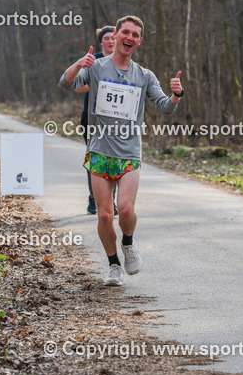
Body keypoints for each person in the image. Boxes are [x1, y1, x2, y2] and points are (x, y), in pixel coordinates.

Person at [59, 15, 184, 286]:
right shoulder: (96, 67)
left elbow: (165, 107)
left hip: (129, 152)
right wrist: (80, 63)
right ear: (115, 36)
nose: (129, 38)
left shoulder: (145, 75)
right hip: (100, 149)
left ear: (139, 41)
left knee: (125, 210)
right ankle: (113, 263)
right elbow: (66, 83)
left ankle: (128, 243)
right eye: (125, 32)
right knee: (105, 215)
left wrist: (176, 94)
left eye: (135, 35)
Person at [74, 26, 116, 215]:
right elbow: (76, 86)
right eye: (107, 38)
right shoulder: (94, 60)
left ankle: (111, 201)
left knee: (115, 158)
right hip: (91, 116)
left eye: (114, 37)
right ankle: (94, 198)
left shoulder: (124, 60)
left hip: (116, 118)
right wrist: (99, 86)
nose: (111, 41)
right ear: (101, 41)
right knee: (95, 157)